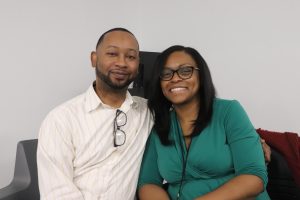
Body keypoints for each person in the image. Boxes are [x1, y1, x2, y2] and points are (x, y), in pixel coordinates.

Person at [138, 45, 270, 199]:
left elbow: (254, 177)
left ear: (201, 76)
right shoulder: (160, 126)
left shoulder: (228, 111)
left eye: (185, 71)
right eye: (166, 73)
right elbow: (148, 182)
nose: (175, 78)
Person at [37, 28, 153, 199]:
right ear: (94, 58)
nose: (122, 63)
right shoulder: (61, 119)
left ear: (138, 65)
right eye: (112, 53)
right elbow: (57, 193)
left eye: (130, 56)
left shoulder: (146, 112)